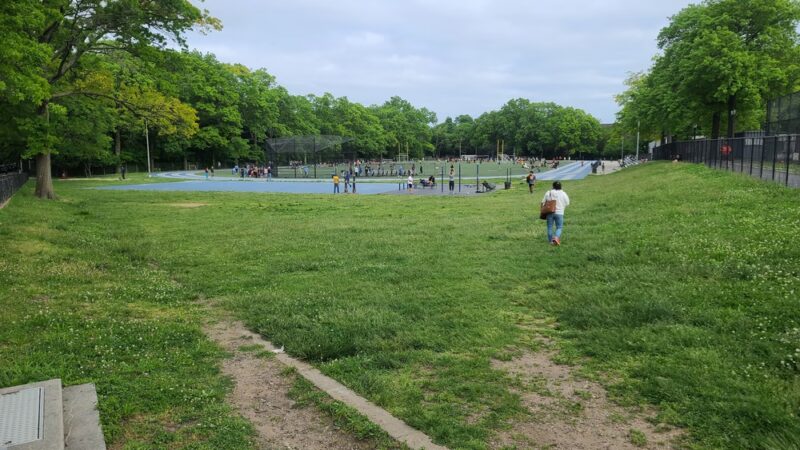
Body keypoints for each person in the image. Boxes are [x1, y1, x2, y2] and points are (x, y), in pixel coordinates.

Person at [541, 181, 570, 246]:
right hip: (560, 213)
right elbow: (567, 203)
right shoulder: (563, 193)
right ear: (561, 186)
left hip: (550, 212)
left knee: (549, 227)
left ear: (553, 186)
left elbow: (543, 202)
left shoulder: (548, 192)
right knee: (559, 227)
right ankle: (556, 237)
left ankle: (550, 241)